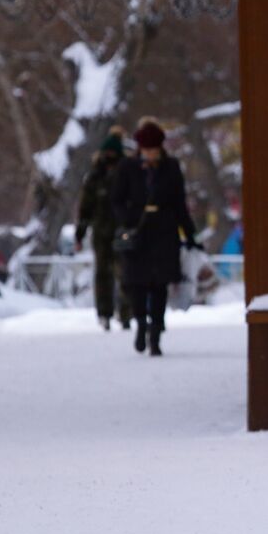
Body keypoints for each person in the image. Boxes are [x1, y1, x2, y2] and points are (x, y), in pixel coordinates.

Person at [110, 120, 199, 357]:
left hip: (164, 233)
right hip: (137, 233)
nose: (150, 154)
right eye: (146, 150)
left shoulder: (171, 168)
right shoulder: (127, 168)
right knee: (137, 283)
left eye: (154, 150)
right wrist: (128, 219)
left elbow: (180, 203)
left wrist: (189, 234)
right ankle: (141, 324)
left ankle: (156, 333)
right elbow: (116, 199)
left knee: (160, 284)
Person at [75, 127, 132, 332]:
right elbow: (85, 207)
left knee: (124, 272)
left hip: (121, 229)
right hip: (101, 232)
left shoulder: (126, 173)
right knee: (103, 274)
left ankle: (125, 313)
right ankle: (104, 313)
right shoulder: (95, 176)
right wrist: (79, 233)